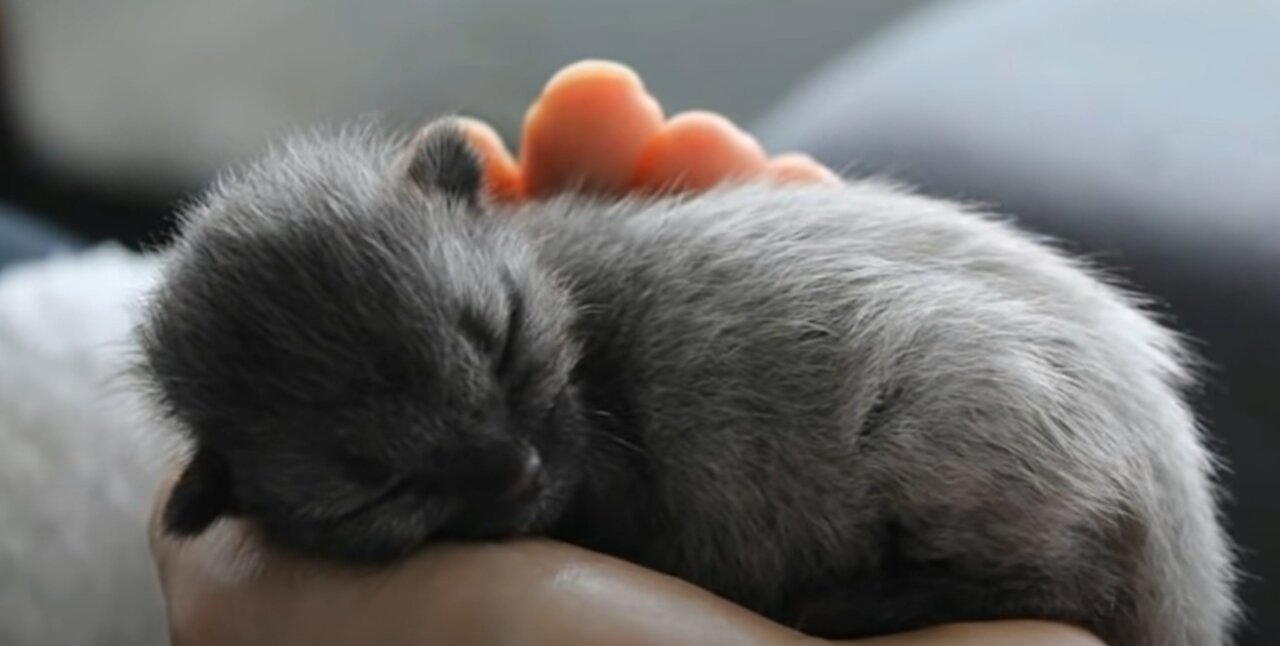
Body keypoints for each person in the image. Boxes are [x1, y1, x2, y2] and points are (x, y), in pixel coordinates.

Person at [148, 61, 1106, 646]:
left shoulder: (597, 304)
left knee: (936, 385)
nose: (513, 463)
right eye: (382, 486)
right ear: (226, 496)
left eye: (508, 343)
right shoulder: (477, 287)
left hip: (1034, 456)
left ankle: (1012, 570)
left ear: (463, 198)